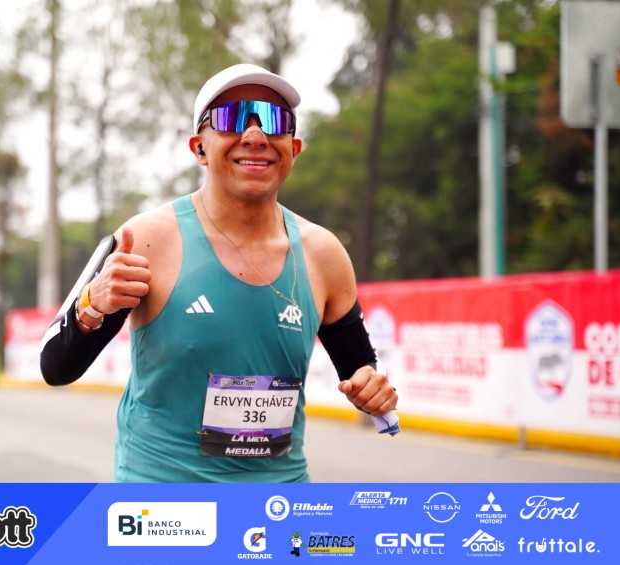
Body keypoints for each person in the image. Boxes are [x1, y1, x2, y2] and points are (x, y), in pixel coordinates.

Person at [41, 64, 398, 482]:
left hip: (279, 499)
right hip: (162, 495)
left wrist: (372, 389)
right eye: (232, 117)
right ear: (199, 148)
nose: (255, 136)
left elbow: (360, 369)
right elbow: (55, 367)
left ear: (294, 148)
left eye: (273, 120)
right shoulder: (147, 238)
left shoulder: (324, 253)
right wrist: (92, 305)